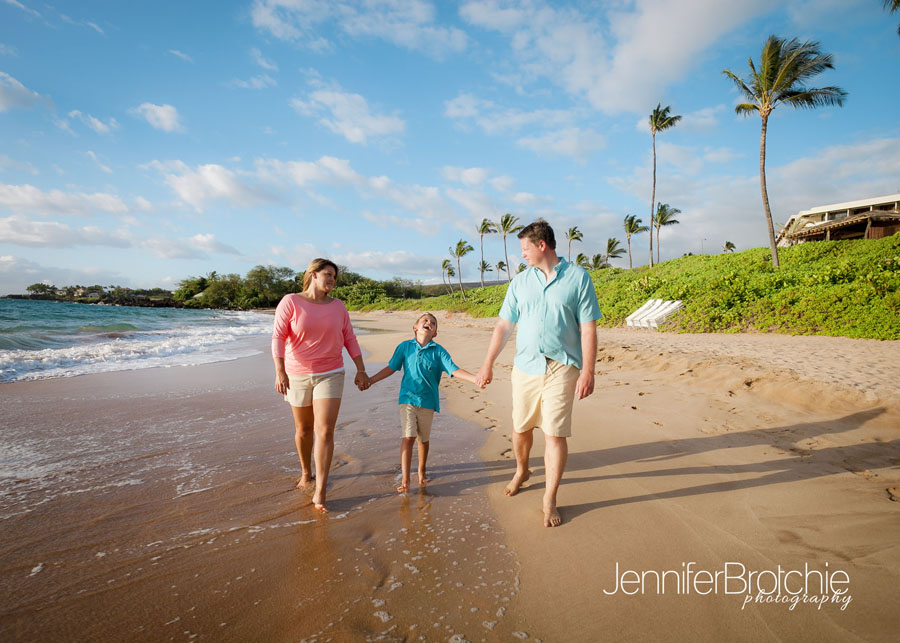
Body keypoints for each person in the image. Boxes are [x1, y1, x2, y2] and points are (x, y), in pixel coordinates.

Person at [476, 219, 601, 527]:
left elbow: (588, 328)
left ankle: (549, 499)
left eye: (525, 248)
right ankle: (521, 470)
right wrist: (488, 363)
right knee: (521, 429)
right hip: (526, 366)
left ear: (541, 245)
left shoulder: (578, 278)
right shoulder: (520, 282)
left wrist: (588, 371)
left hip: (563, 366)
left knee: (554, 433)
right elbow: (504, 326)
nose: (522, 254)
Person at [272, 258, 370, 512]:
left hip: (331, 373)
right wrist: (280, 371)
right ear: (313, 274)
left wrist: (360, 369)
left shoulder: (338, 306)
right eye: (328, 274)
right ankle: (306, 472)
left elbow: (349, 337)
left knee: (325, 430)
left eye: (334, 277)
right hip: (297, 374)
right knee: (304, 429)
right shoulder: (290, 301)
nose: (332, 280)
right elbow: (278, 337)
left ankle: (321, 490)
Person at [367, 312, 480, 493]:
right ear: (415, 328)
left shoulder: (438, 351)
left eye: (433, 323)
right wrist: (371, 380)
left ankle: (421, 471)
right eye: (425, 321)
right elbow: (391, 368)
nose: (429, 323)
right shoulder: (405, 347)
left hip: (428, 401)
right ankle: (405, 480)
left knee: (423, 439)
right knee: (408, 436)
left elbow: (453, 369)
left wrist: (475, 379)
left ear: (435, 333)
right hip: (407, 399)